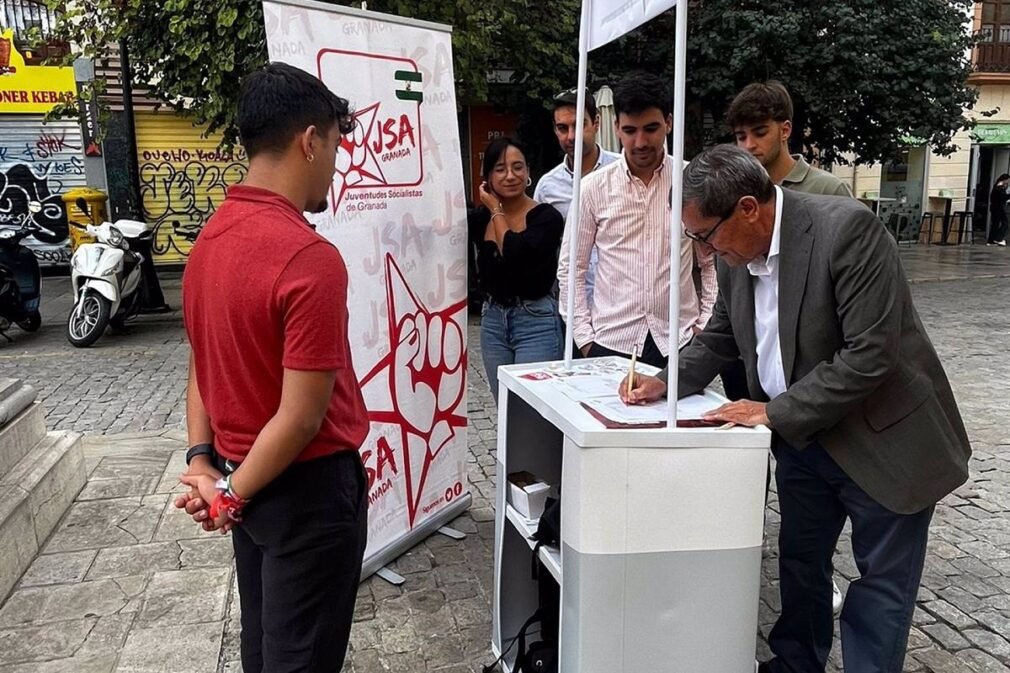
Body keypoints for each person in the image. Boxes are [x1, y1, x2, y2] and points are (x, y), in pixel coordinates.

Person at [622, 145, 971, 673]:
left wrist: (772, 412)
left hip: (883, 438)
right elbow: (721, 335)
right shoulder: (738, 253)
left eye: (703, 235)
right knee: (801, 564)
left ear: (747, 208)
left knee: (880, 586)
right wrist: (665, 381)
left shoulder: (846, 230)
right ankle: (794, 665)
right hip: (806, 442)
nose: (703, 249)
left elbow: (870, 354)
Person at [175, 62, 368, 673]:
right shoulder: (309, 257)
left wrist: (204, 462)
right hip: (305, 496)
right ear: (310, 140)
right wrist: (227, 493)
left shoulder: (208, 241)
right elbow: (303, 417)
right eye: (335, 144)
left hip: (248, 487)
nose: (335, 164)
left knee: (265, 652)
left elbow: (201, 363)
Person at [727, 80, 854, 613]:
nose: (750, 145)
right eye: (740, 136)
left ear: (785, 130)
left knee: (821, 505)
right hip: (764, 367)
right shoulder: (731, 197)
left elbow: (862, 308)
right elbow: (727, 304)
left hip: (824, 387)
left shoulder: (828, 195)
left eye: (760, 133)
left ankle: (816, 580)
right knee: (780, 489)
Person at [557, 71, 715, 369]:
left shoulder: (690, 181)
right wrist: (584, 338)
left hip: (679, 341)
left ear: (668, 122)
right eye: (630, 130)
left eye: (651, 128)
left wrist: (704, 325)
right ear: (616, 127)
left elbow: (711, 261)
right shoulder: (593, 188)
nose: (640, 141)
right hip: (610, 342)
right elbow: (571, 267)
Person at [470, 137, 565, 401]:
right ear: (487, 175)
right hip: (493, 323)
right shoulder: (478, 220)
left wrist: (496, 210)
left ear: (528, 172)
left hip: (536, 322)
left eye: (517, 167)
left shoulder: (547, 217)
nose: (510, 175)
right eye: (500, 169)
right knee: (505, 409)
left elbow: (515, 253)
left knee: (533, 412)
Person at [534, 88, 620, 307]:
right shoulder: (547, 187)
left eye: (579, 125)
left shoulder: (622, 171)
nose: (571, 136)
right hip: (570, 307)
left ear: (596, 123)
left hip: (620, 305)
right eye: (563, 128)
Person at [988, 173, 1009, 246]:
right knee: (1005, 223)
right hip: (998, 208)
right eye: (1007, 181)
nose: (1008, 183)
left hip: (996, 207)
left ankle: (991, 240)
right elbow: (1002, 197)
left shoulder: (997, 186)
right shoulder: (1000, 186)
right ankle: (998, 238)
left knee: (995, 224)